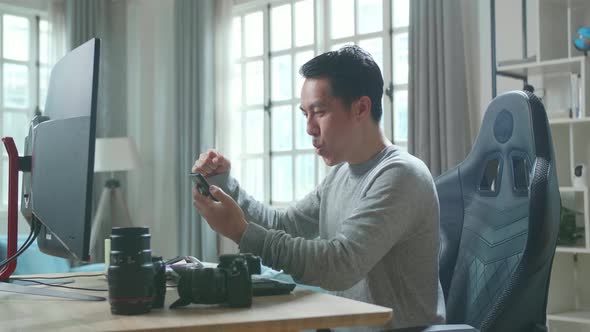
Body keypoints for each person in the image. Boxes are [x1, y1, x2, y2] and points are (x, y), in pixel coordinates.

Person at [192, 45, 445, 330]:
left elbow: (340, 264)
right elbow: (283, 225)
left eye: (319, 112)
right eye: (305, 115)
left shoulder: (401, 176)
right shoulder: (339, 175)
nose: (309, 128)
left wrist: (241, 232)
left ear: (361, 108)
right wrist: (225, 185)